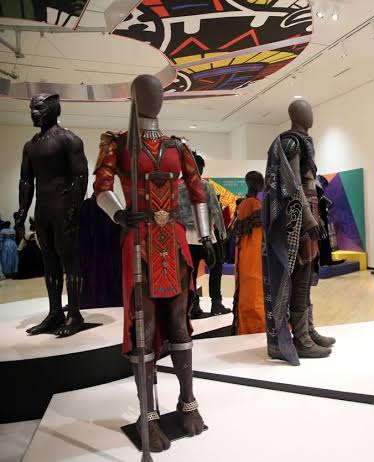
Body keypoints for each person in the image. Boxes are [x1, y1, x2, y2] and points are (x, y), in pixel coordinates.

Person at [94, 75, 214, 451]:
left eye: (158, 92)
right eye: (147, 93)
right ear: (134, 97)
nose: (154, 98)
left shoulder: (178, 146)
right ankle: (148, 413)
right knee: (143, 327)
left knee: (179, 323)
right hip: (139, 242)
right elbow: (101, 187)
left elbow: (197, 191)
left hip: (174, 243)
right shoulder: (118, 144)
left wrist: (207, 237)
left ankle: (188, 401)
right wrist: (118, 213)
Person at [262, 99, 336, 365]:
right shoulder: (291, 143)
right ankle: (301, 339)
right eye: (308, 111)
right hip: (296, 223)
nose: (311, 115)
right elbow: (293, 187)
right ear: (298, 115)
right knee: (299, 279)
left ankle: (308, 331)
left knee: (306, 279)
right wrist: (308, 220)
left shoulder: (303, 142)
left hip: (308, 216)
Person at [16, 93, 88, 336]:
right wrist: (22, 212)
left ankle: (75, 314)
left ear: (54, 110)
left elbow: (80, 176)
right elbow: (26, 181)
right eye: (32, 108)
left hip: (63, 207)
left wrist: (74, 208)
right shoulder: (31, 146)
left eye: (39, 108)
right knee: (49, 262)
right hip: (43, 209)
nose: (34, 113)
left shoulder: (69, 140)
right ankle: (55, 312)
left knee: (69, 261)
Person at [178, 152, 229, 318]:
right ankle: (216, 303)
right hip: (207, 237)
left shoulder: (177, 187)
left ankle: (194, 306)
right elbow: (216, 210)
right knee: (216, 269)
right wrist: (222, 232)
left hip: (186, 238)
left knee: (190, 274)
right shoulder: (206, 186)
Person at [232, 171, 266, 335]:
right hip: (254, 255)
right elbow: (259, 235)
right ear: (259, 185)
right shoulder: (255, 205)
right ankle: (256, 327)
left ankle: (244, 326)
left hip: (242, 255)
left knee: (245, 291)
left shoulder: (242, 204)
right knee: (255, 291)